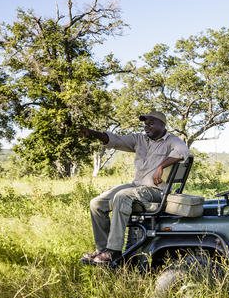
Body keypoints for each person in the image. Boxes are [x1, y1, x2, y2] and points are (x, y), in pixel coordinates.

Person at [80, 111, 189, 266]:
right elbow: (115, 140)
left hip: (156, 191)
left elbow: (183, 151)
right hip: (136, 186)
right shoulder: (139, 139)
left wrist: (161, 166)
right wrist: (92, 133)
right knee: (96, 203)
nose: (147, 126)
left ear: (162, 125)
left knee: (122, 196)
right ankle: (102, 249)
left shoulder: (172, 141)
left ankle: (114, 251)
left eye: (151, 123)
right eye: (145, 123)